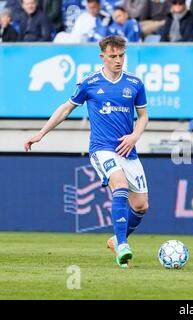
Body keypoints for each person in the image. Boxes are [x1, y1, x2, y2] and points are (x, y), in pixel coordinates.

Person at [24, 35, 149, 268]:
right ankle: (123, 245)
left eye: (121, 56)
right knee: (119, 184)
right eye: (113, 56)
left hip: (128, 149)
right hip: (101, 149)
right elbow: (66, 108)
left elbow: (143, 116)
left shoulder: (135, 83)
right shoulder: (90, 82)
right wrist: (41, 133)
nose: (118, 60)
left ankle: (116, 239)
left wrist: (134, 136)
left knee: (141, 206)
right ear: (103, 57)